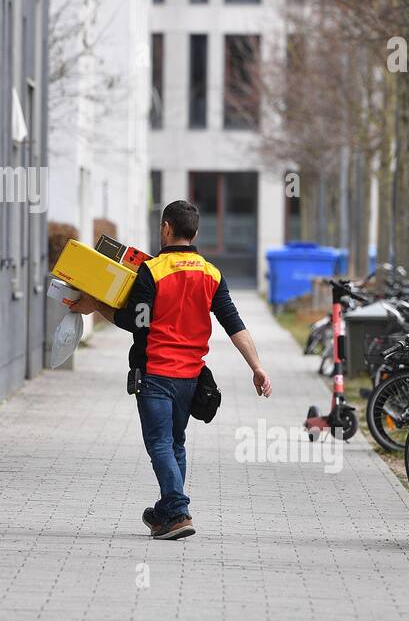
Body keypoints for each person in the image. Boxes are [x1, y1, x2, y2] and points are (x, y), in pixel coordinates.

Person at [64, 200, 272, 539]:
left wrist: (97, 305)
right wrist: (257, 366)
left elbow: (138, 322)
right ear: (194, 232)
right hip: (191, 378)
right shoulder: (211, 274)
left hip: (156, 373)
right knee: (175, 444)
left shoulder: (153, 271)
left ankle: (178, 510)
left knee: (159, 443)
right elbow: (234, 323)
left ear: (166, 228)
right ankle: (164, 515)